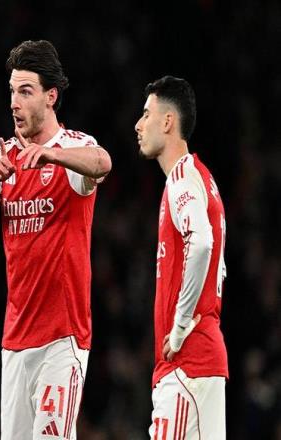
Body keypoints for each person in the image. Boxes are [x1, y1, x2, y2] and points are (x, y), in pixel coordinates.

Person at [0, 40, 111, 439]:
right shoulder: (6, 157)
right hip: (16, 339)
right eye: (11, 92)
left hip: (63, 339)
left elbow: (102, 162)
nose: (14, 103)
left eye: (25, 92)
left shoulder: (73, 148)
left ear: (50, 96)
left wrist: (52, 156)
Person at [135, 75, 228, 439]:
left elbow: (202, 243)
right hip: (204, 362)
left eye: (146, 114)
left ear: (168, 121)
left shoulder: (181, 179)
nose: (139, 124)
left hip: (186, 364)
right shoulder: (204, 179)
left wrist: (178, 328)